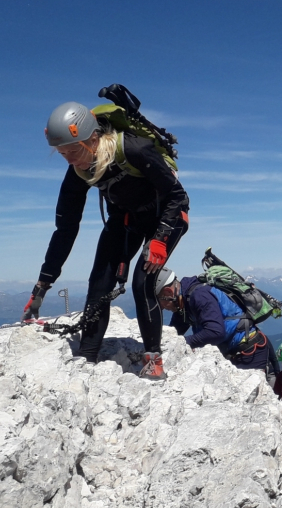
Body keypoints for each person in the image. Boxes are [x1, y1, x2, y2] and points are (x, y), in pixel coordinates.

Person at [22, 101, 189, 380]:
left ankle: (153, 360)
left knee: (143, 281)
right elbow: (65, 229)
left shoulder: (134, 150)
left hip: (166, 216)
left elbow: (178, 196)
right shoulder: (78, 172)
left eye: (73, 150)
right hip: (126, 220)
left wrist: (160, 239)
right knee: (99, 282)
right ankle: (87, 358)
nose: (70, 159)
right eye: (62, 154)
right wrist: (43, 284)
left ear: (93, 138)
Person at [156, 268, 278, 374]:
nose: (160, 307)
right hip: (237, 352)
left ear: (168, 292)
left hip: (250, 352)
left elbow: (215, 332)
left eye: (159, 300)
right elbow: (174, 333)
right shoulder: (183, 302)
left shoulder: (199, 296)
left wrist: (183, 343)